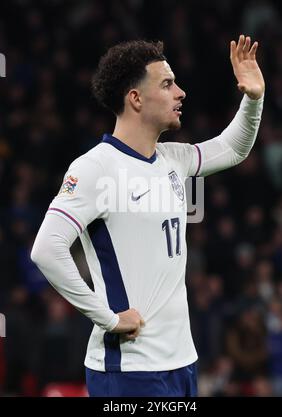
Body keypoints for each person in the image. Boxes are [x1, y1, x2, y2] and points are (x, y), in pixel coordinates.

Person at [31, 35, 265, 397]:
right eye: (168, 84)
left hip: (181, 362)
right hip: (130, 370)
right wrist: (107, 318)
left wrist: (253, 98)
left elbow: (233, 147)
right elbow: (46, 249)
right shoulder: (96, 167)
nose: (181, 92)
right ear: (135, 98)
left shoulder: (173, 159)